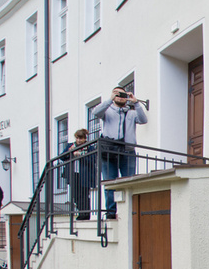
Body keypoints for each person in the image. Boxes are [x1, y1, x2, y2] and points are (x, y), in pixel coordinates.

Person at [91, 86, 148, 219]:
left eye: (123, 94)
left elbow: (143, 120)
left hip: (127, 151)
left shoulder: (131, 112)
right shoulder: (107, 110)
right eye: (117, 94)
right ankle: (111, 212)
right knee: (110, 182)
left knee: (129, 181)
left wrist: (136, 103)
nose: (121, 97)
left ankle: (130, 210)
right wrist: (110, 100)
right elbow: (95, 113)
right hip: (108, 152)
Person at [60, 129, 97, 220]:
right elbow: (62, 157)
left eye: (81, 138)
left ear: (85, 138)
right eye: (77, 138)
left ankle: (85, 214)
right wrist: (70, 151)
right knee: (75, 195)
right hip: (73, 174)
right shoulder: (71, 146)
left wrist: (80, 155)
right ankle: (80, 212)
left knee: (84, 195)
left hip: (85, 175)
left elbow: (93, 160)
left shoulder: (90, 148)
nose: (79, 140)